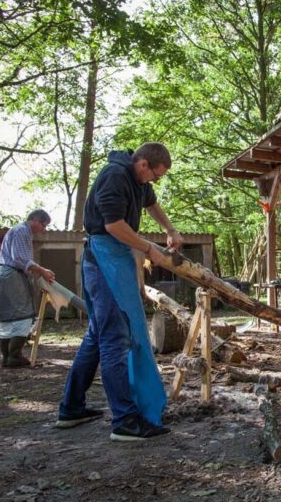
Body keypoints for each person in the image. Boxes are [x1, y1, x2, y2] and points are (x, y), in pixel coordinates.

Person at [57, 143, 184, 442]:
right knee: (116, 337)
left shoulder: (139, 181)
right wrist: (149, 248)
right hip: (103, 259)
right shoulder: (114, 176)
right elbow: (113, 226)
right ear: (142, 164)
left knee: (96, 336)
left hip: (115, 256)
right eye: (155, 175)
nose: (154, 181)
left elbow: (151, 204)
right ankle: (125, 421)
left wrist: (169, 229)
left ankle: (71, 409)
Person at [0, 210, 56, 368]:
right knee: (22, 313)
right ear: (35, 220)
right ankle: (14, 356)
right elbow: (20, 258)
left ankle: (8, 357)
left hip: (6, 274)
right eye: (44, 225)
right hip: (11, 274)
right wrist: (42, 270)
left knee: (9, 314)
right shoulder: (22, 230)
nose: (43, 229)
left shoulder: (20, 231)